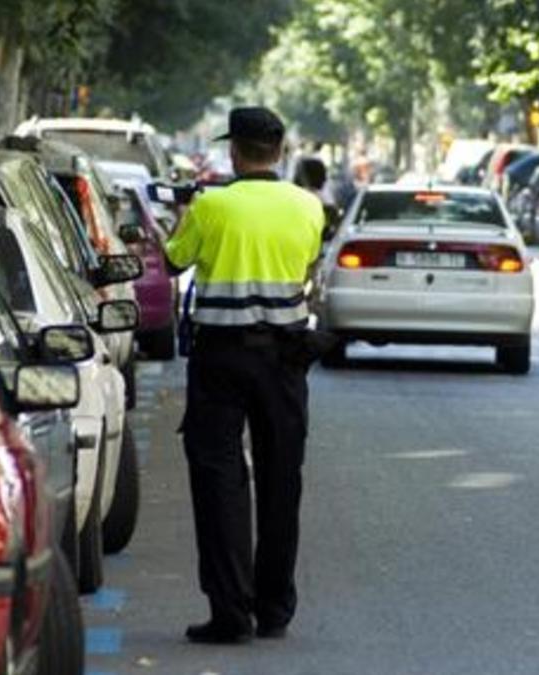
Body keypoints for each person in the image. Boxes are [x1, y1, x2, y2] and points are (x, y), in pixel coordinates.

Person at [164, 106, 326, 644]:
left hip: (221, 358)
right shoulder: (309, 206)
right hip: (284, 360)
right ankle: (275, 608)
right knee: (283, 479)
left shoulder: (212, 206)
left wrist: (184, 215)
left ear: (234, 150)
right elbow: (304, 269)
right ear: (279, 151)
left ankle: (230, 611)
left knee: (218, 480)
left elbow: (173, 260)